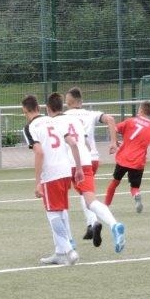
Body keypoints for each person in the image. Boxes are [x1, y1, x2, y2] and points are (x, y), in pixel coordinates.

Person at [22, 93, 84, 266]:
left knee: (52, 214)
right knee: (61, 210)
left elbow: (39, 152)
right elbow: (73, 143)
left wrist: (38, 182)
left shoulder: (30, 127)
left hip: (51, 173)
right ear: (39, 108)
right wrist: (79, 168)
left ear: (25, 111)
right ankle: (59, 252)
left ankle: (69, 250)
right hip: (65, 170)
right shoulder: (54, 121)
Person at [61, 90, 126, 252]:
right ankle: (93, 223)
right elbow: (110, 119)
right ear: (81, 101)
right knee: (86, 194)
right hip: (92, 158)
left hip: (74, 160)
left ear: (68, 102)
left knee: (75, 198)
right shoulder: (91, 114)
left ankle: (89, 225)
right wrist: (113, 142)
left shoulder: (63, 117)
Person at [104, 100, 150, 213]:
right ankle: (136, 195)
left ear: (141, 110)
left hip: (123, 159)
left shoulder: (130, 121)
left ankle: (105, 206)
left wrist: (114, 141)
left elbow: (114, 128)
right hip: (138, 162)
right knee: (135, 187)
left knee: (114, 182)